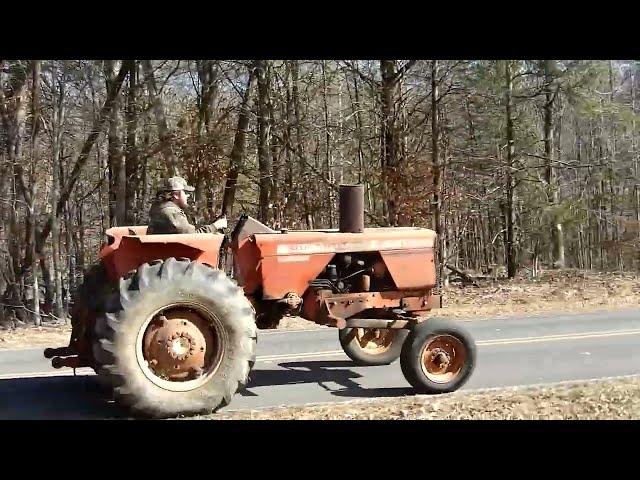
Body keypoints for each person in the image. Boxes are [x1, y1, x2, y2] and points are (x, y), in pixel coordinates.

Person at [146, 176, 226, 234]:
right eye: (185, 192)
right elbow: (193, 237)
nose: (188, 196)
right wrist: (215, 226)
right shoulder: (171, 213)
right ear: (176, 195)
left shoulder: (161, 209)